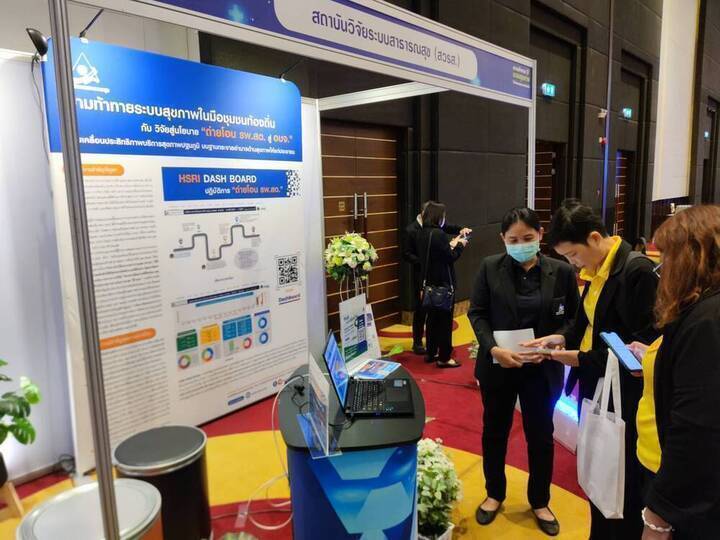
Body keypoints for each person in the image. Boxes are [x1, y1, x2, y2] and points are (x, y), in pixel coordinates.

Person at [525, 199, 660, 539]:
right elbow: (585, 321)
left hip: (625, 396)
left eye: (573, 255)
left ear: (595, 238)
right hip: (597, 386)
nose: (573, 264)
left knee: (621, 481)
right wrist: (560, 339)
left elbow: (640, 347)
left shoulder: (637, 272)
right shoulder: (597, 270)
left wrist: (579, 359)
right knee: (599, 474)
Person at [468, 208, 580, 536]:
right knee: (494, 431)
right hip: (499, 366)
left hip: (541, 370)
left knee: (541, 436)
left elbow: (574, 318)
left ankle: (540, 500)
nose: (520, 245)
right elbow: (477, 313)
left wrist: (558, 339)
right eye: (513, 239)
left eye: (527, 238)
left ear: (541, 235)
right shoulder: (489, 267)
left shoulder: (561, 271)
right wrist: (493, 349)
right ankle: (494, 493)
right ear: (503, 239)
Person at [631, 206, 720, 539]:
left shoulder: (707, 320)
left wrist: (658, 516)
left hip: (691, 502)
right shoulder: (705, 310)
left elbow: (696, 429)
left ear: (691, 258)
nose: (662, 268)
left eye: (668, 257)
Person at [403, 202, 471, 356]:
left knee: (433, 317)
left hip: (431, 277)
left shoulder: (429, 229)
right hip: (426, 276)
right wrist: (459, 245)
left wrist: (460, 230)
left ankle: (432, 350)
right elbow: (407, 254)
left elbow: (448, 228)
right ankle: (423, 344)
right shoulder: (416, 230)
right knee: (426, 312)